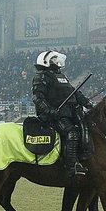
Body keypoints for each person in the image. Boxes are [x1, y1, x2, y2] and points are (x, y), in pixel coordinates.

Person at [32, 50, 93, 179]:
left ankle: (84, 158)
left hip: (70, 112)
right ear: (46, 61)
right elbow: (38, 99)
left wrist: (87, 102)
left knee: (86, 128)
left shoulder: (62, 77)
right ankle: (72, 166)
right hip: (54, 115)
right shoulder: (41, 76)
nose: (57, 62)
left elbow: (74, 93)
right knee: (72, 133)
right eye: (54, 59)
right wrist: (49, 111)